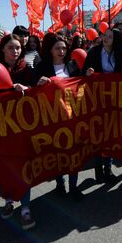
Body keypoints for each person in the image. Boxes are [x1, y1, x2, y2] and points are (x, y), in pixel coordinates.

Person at [34, 33, 84, 201]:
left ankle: (74, 186)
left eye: (64, 48)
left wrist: (88, 75)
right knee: (57, 153)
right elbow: (33, 91)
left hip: (73, 116)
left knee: (74, 152)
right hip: (53, 118)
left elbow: (81, 86)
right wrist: (38, 84)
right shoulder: (42, 67)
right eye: (58, 48)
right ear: (50, 50)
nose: (62, 51)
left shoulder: (72, 65)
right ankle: (60, 183)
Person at [0, 34, 36, 230]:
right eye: (11, 47)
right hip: (1, 129)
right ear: (2, 49)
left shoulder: (26, 69)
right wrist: (10, 87)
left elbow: (34, 88)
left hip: (22, 126)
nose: (15, 51)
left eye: (18, 48)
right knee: (7, 167)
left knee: (24, 167)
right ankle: (9, 201)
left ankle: (26, 209)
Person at [83, 28, 122, 183]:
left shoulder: (120, 53)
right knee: (99, 135)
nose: (106, 38)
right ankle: (98, 169)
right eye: (104, 35)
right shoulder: (94, 52)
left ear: (116, 39)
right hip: (97, 100)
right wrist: (88, 72)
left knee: (110, 134)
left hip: (115, 99)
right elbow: (84, 73)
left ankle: (108, 168)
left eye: (110, 36)